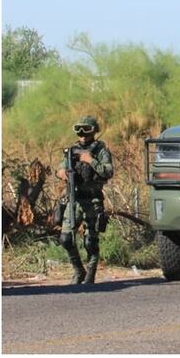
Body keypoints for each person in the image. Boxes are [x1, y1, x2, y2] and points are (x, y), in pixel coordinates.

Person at [55, 116, 114, 285]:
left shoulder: (101, 150)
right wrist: (61, 172)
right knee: (65, 238)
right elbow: (61, 167)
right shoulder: (72, 150)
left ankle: (91, 272)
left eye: (86, 132)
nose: (82, 136)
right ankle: (78, 270)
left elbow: (108, 172)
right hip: (74, 200)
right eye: (79, 132)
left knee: (91, 241)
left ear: (94, 132)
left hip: (93, 201)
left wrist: (91, 161)